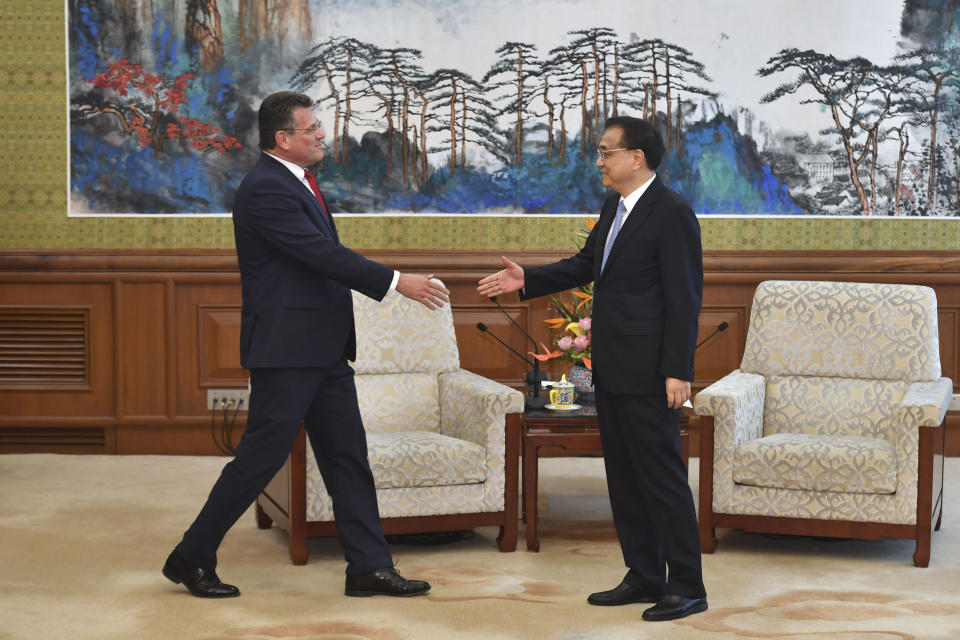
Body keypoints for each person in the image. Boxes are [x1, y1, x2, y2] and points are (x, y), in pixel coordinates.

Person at [163, 91, 449, 599]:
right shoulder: (266, 189)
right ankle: (191, 556)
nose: (322, 134)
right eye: (312, 128)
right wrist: (396, 280)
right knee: (260, 458)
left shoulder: (299, 181)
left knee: (347, 456)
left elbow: (324, 256)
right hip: (288, 351)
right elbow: (320, 254)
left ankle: (368, 567)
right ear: (283, 138)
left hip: (324, 348)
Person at [477, 116, 706, 622]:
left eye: (606, 152)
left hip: (652, 373)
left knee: (662, 478)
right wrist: (526, 279)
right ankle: (644, 575)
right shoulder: (613, 207)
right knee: (623, 478)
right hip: (613, 367)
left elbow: (685, 299)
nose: (599, 161)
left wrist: (678, 371)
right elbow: (586, 265)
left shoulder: (672, 214)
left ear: (637, 158)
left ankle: (687, 585)